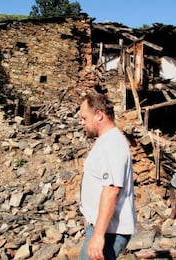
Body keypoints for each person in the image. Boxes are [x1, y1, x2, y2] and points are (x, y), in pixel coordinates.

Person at [78, 91, 136, 260]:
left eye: (84, 118)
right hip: (104, 227)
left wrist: (98, 235)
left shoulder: (113, 144)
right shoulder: (106, 141)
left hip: (110, 231)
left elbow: (111, 190)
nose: (82, 122)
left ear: (99, 115)